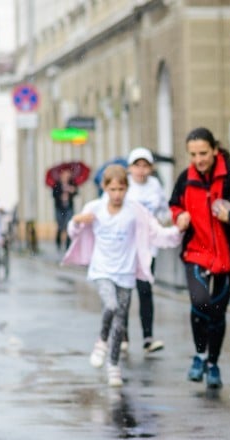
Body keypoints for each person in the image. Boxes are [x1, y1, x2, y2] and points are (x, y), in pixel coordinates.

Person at [61, 165, 187, 387]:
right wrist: (77, 221)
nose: (117, 194)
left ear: (127, 189)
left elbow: (157, 233)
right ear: (104, 188)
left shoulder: (135, 211)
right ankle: (101, 341)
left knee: (120, 322)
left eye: (121, 189)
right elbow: (74, 232)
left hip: (126, 273)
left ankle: (113, 365)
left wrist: (178, 230)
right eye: (112, 189)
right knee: (110, 306)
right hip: (102, 270)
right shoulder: (95, 208)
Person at [169, 127, 230, 389]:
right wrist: (179, 216)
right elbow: (175, 204)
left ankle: (212, 364)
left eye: (203, 153)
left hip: (229, 256)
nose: (199, 159)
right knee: (199, 302)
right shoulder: (186, 178)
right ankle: (199, 356)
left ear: (214, 150)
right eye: (193, 154)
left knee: (217, 312)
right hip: (196, 252)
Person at [125, 147, 170, 354]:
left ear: (150, 168)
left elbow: (163, 210)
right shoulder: (124, 186)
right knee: (124, 291)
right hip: (126, 247)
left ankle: (148, 337)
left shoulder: (155, 186)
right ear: (130, 168)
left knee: (145, 290)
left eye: (145, 166)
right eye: (137, 165)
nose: (141, 170)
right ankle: (123, 335)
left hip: (148, 247)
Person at [52, 167, 78, 251]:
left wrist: (71, 190)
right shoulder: (57, 184)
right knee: (60, 226)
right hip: (59, 208)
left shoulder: (72, 183)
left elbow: (76, 192)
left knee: (68, 225)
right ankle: (58, 243)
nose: (67, 176)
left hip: (69, 207)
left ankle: (68, 245)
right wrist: (61, 194)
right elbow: (54, 194)